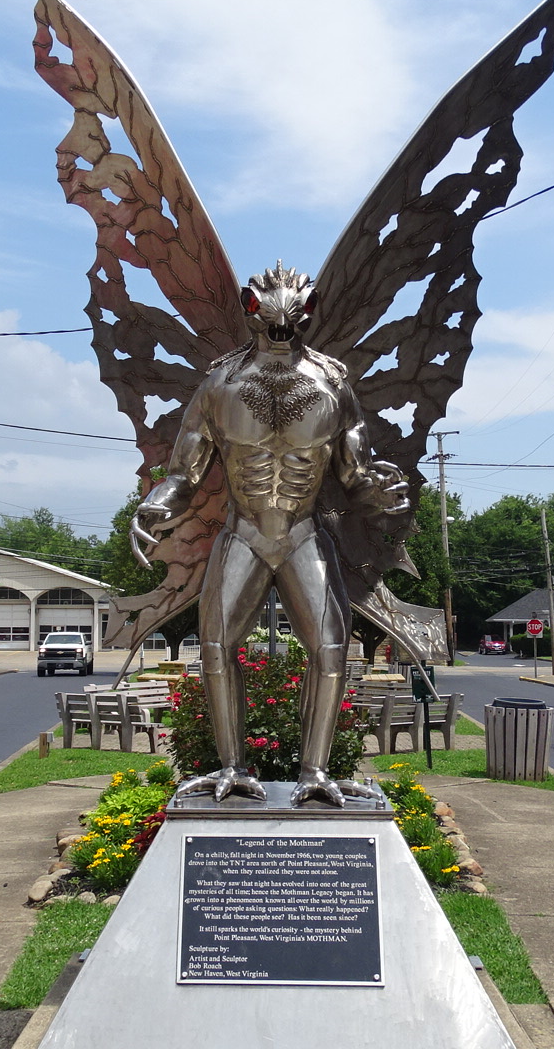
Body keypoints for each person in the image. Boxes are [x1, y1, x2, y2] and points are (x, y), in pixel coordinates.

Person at [132, 265, 410, 808]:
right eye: (271, 320)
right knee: (215, 646)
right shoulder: (219, 384)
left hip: (304, 532)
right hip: (244, 532)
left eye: (293, 321)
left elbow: (355, 474)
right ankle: (231, 767)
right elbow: (184, 474)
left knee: (331, 651)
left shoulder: (333, 382)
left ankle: (316, 772)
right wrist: (154, 504)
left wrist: (380, 496)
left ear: (310, 313)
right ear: (250, 309)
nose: (282, 331)